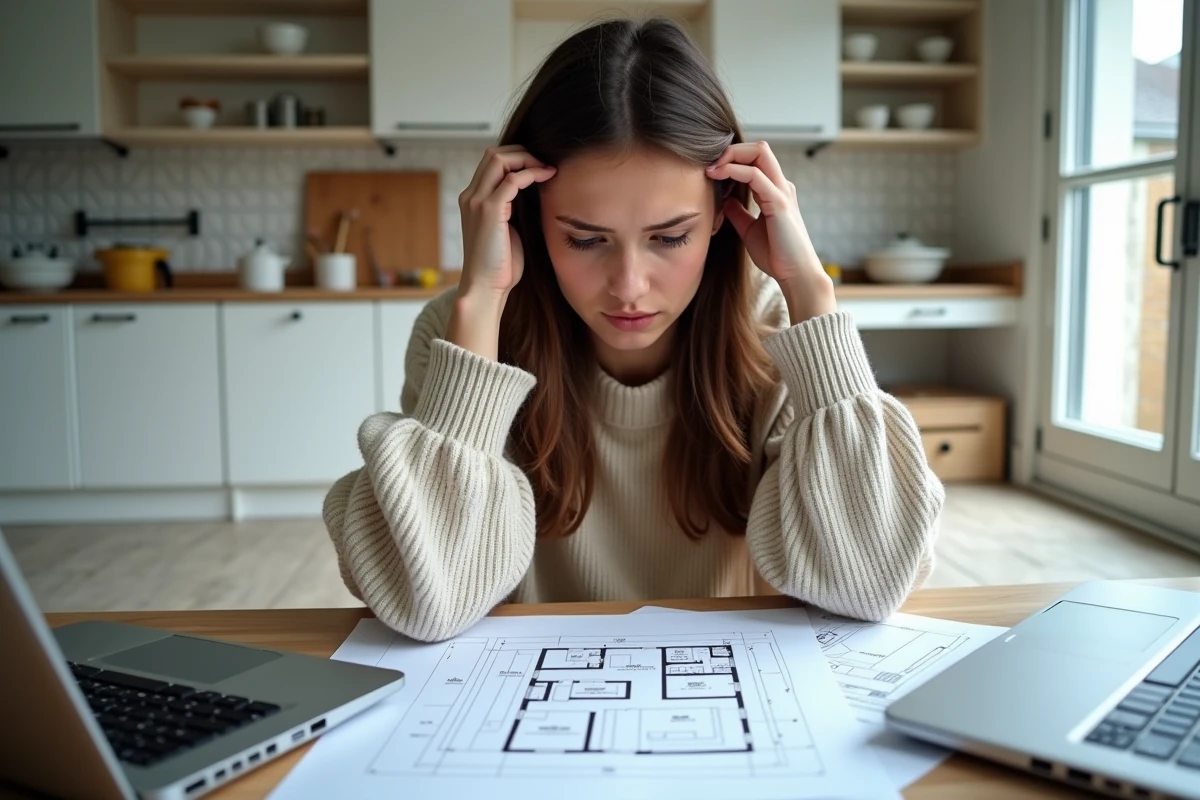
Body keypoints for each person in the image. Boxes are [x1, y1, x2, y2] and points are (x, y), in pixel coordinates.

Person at [323, 16, 944, 642]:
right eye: (585, 239)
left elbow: (871, 583)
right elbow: (425, 602)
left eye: (670, 237)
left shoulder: (776, 330)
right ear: (528, 221)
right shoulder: (459, 334)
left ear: (724, 218)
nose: (628, 286)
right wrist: (481, 302)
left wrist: (811, 292)